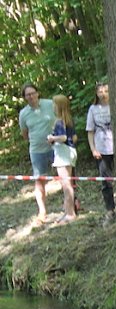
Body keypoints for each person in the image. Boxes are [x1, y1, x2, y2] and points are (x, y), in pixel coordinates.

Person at [19, 83, 55, 223]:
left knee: (65, 178)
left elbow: (61, 120)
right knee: (39, 181)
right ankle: (42, 211)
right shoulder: (23, 113)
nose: (31, 96)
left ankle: (71, 206)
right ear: (25, 97)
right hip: (37, 150)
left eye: (33, 93)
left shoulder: (50, 104)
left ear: (38, 93)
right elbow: (24, 134)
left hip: (56, 147)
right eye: (28, 94)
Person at [85, 82, 116, 224]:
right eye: (100, 91)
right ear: (96, 94)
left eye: (106, 91)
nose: (103, 94)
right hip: (102, 148)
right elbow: (90, 131)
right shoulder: (93, 109)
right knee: (106, 181)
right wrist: (93, 148)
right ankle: (110, 210)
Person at [47, 94, 77, 225]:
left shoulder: (60, 121)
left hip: (63, 154)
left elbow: (64, 138)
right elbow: (74, 137)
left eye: (54, 104)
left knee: (66, 184)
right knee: (66, 183)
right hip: (67, 152)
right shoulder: (68, 120)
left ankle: (70, 213)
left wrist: (52, 138)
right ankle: (67, 210)